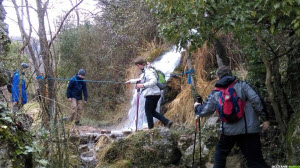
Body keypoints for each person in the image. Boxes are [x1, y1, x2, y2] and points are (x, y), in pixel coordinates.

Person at [194, 66, 270, 168]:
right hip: (249, 130)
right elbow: (257, 100)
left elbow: (204, 111)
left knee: (219, 155)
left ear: (218, 77)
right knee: (255, 161)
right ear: (231, 74)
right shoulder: (243, 85)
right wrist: (265, 119)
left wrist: (197, 106)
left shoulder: (216, 92)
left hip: (228, 132)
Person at [126, 57, 173, 129]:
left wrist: (143, 85)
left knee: (148, 112)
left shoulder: (148, 71)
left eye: (138, 65)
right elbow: (141, 80)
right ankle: (167, 122)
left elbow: (153, 81)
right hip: (154, 94)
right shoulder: (146, 72)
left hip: (152, 94)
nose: (138, 67)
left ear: (141, 64)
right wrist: (131, 81)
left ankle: (151, 128)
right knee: (152, 112)